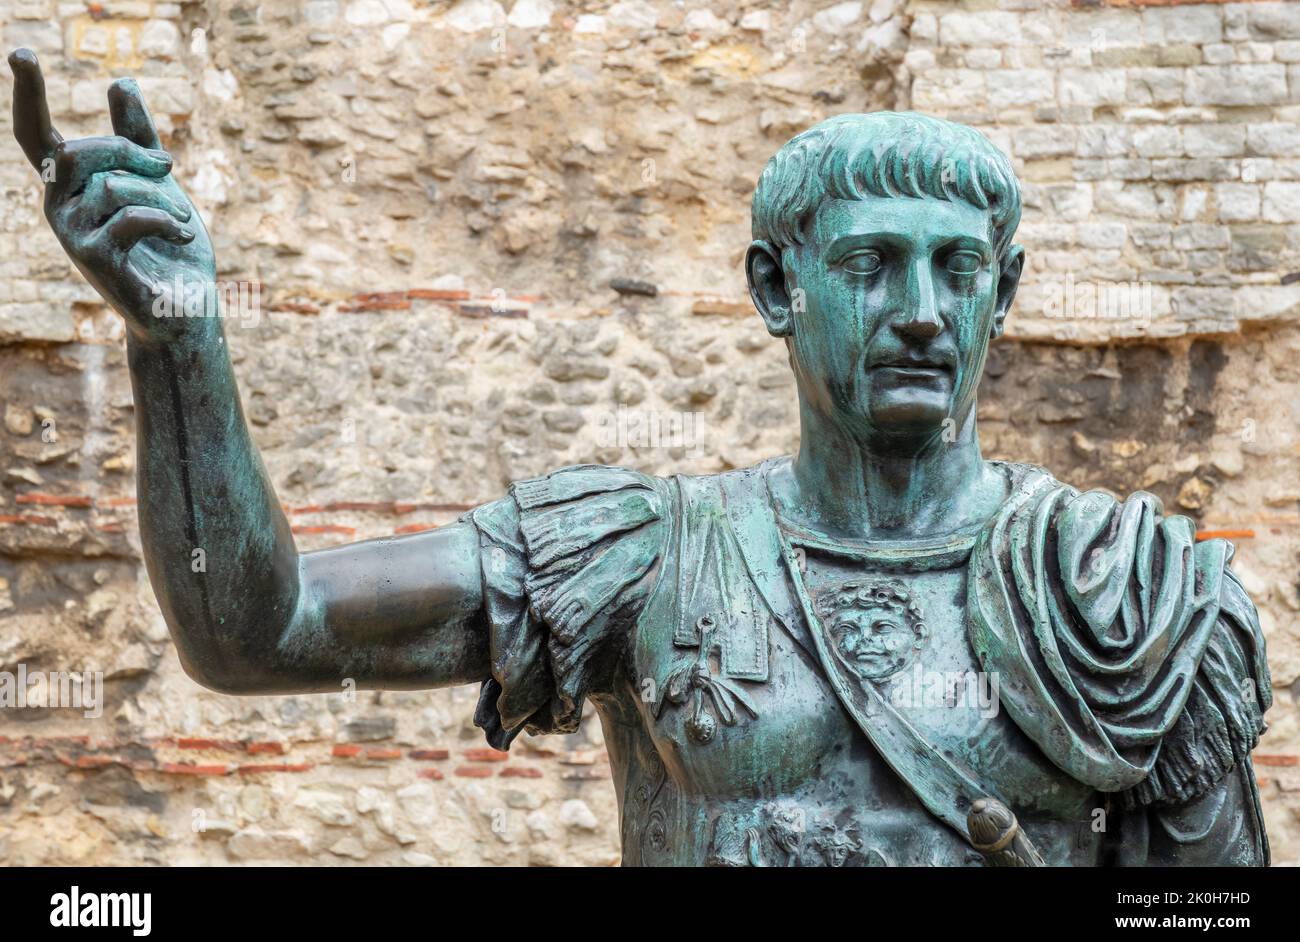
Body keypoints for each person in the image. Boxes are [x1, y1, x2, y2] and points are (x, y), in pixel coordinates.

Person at [9, 49, 1271, 866]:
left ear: (1007, 294)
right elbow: (259, 630)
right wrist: (179, 333)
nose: (924, 310)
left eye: (959, 270)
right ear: (778, 290)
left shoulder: (1126, 592)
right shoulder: (642, 555)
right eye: (871, 264)